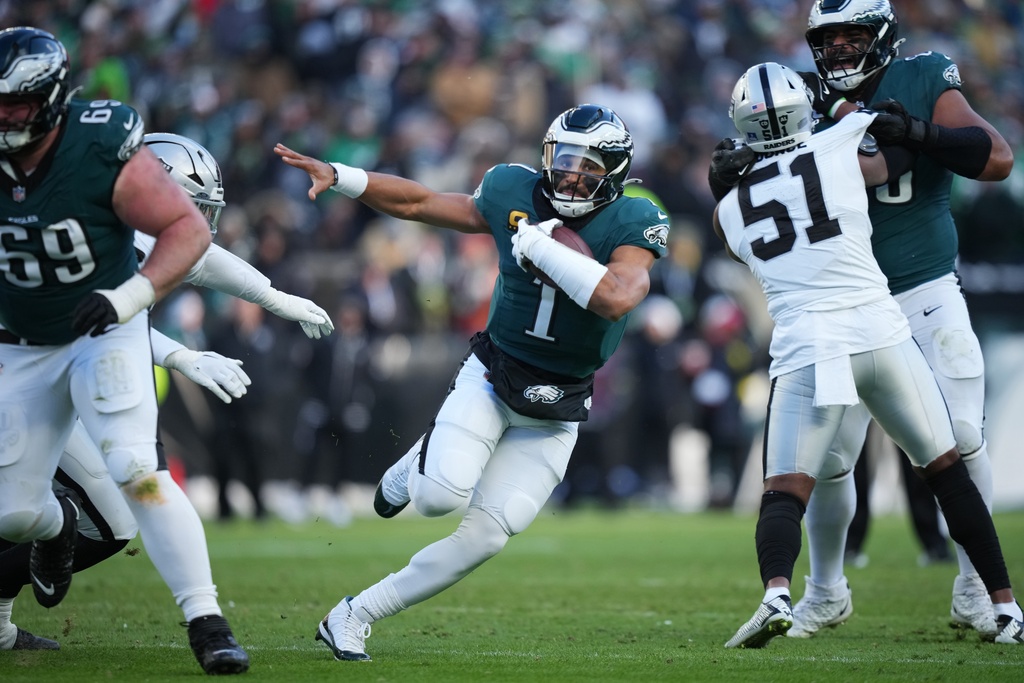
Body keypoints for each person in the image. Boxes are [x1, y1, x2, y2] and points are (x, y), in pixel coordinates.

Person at [275, 102, 670, 661]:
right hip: (493, 374)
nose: (570, 176)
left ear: (616, 170)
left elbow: (616, 297)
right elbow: (420, 202)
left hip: (559, 406)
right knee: (438, 498)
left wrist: (542, 248)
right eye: (563, 160)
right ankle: (419, 462)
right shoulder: (513, 189)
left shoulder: (634, 218)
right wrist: (342, 176)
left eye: (587, 166)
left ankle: (353, 614)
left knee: (487, 534)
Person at [708, 0, 1014, 640]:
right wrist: (738, 172)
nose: (840, 50)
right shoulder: (804, 104)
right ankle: (825, 591)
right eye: (829, 39)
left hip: (924, 288)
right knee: (832, 463)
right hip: (842, 309)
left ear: (882, 36)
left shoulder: (926, 75)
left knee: (960, 436)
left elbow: (994, 158)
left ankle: (975, 591)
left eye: (853, 36)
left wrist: (922, 134)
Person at [0, 129, 335, 655]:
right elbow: (92, 318)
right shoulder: (91, 227)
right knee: (19, 514)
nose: (201, 222)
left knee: (115, 522)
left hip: (74, 374)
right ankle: (56, 524)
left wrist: (275, 297)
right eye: (192, 206)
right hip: (19, 370)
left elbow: (203, 258)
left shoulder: (151, 230)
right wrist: (182, 355)